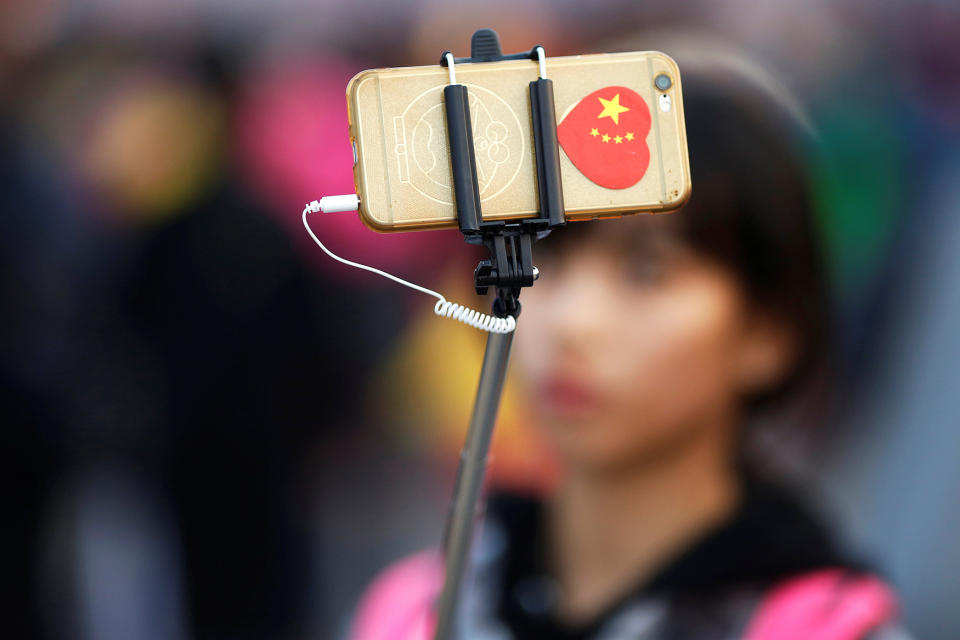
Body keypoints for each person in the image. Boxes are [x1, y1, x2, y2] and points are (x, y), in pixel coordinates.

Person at [348, 45, 909, 640]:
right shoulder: (418, 610)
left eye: (647, 270)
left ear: (767, 331)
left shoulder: (827, 628)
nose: (572, 322)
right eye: (538, 257)